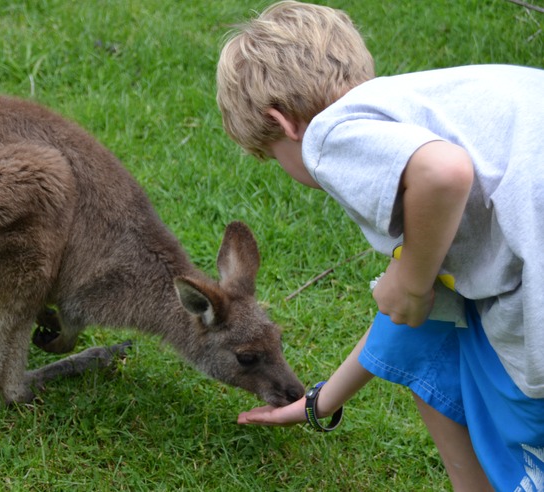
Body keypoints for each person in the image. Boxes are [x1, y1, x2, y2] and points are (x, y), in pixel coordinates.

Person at [216, 1, 544, 490]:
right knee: (440, 333)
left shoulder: (327, 136)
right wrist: (318, 403)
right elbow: (417, 323)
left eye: (271, 156)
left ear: (283, 124)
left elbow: (444, 173)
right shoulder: (432, 103)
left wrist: (410, 282)